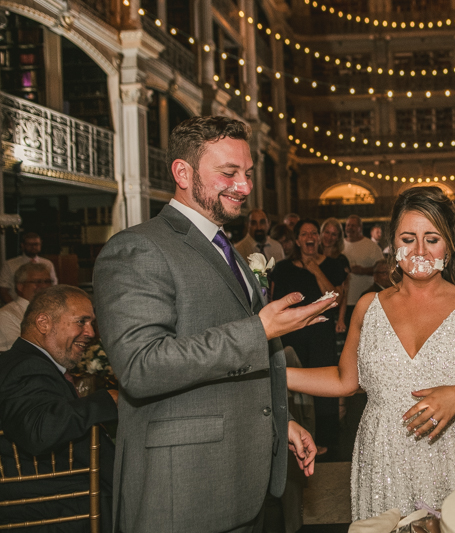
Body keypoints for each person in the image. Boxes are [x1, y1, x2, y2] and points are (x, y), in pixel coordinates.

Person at [93, 116, 332, 532]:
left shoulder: (227, 250)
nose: (244, 187)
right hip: (183, 489)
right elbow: (141, 367)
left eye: (248, 174)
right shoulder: (137, 248)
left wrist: (278, 422)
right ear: (182, 173)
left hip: (240, 477)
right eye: (229, 173)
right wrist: (258, 330)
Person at [286, 187, 455, 520]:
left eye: (432, 239)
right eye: (408, 239)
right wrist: (273, 372)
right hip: (382, 455)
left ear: (449, 245)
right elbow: (344, 379)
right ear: (394, 244)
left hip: (449, 451)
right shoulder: (368, 307)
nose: (419, 250)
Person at [0, 286, 118, 531]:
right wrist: (107, 399)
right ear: (43, 322)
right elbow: (40, 431)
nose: (91, 332)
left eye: (92, 323)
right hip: (57, 507)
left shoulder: (24, 361)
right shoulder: (28, 366)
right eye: (81, 322)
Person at [271, 219, 348, 457]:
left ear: (319, 237)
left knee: (323, 385)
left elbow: (334, 299)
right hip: (292, 335)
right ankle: (296, 438)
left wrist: (315, 269)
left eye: (314, 232)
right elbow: (274, 302)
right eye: (304, 234)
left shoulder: (333, 265)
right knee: (293, 386)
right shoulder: (283, 268)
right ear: (297, 240)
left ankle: (325, 441)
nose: (310, 237)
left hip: (320, 334)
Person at [0, 263, 53, 351]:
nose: (44, 286)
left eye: (47, 282)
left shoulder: (54, 310)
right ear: (20, 286)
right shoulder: (6, 315)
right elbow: (22, 352)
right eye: (37, 282)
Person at [343, 215, 384, 325]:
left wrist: (363, 271)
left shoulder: (371, 246)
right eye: (348, 225)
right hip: (345, 301)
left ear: (360, 228)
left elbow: (383, 269)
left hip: (366, 300)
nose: (349, 228)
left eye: (353, 225)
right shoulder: (341, 245)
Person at [0, 232, 58, 304]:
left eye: (36, 244)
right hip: (17, 305)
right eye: (30, 244)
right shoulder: (10, 264)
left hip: (42, 305)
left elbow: (53, 287)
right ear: (23, 245)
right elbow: (3, 290)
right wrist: (15, 308)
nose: (33, 247)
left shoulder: (47, 263)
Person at [320, 217, 350, 335]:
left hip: (332, 311)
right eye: (327, 232)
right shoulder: (312, 255)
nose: (329, 237)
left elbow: (345, 292)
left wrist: (341, 319)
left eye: (333, 234)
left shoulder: (341, 260)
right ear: (321, 233)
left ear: (338, 238)